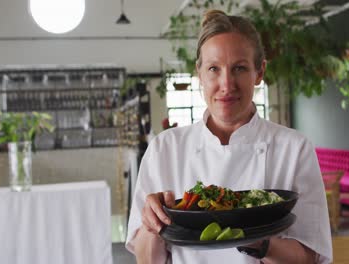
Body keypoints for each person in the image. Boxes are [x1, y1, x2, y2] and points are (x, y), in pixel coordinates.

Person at [126, 9, 332, 264]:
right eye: (214, 68)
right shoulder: (164, 149)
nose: (226, 84)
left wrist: (258, 242)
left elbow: (309, 258)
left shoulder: (294, 148)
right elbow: (147, 261)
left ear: (259, 72)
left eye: (240, 68)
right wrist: (152, 224)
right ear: (199, 74)